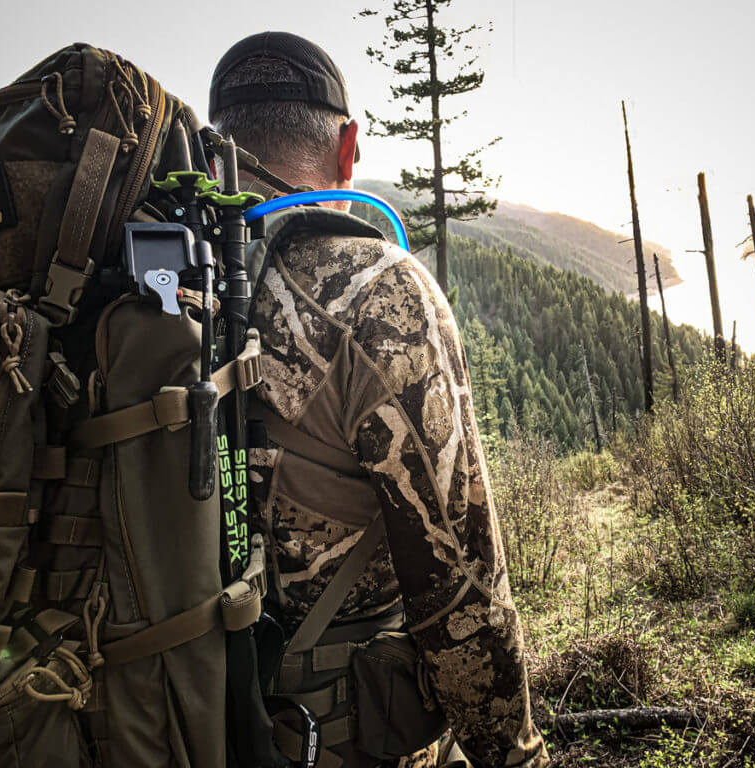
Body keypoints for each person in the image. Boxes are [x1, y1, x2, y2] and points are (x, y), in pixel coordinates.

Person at [209, 32, 548, 768]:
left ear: (214, 157)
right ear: (348, 148)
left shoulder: (160, 291)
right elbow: (461, 591)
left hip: (169, 718)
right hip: (326, 735)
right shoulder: (378, 290)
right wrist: (517, 757)